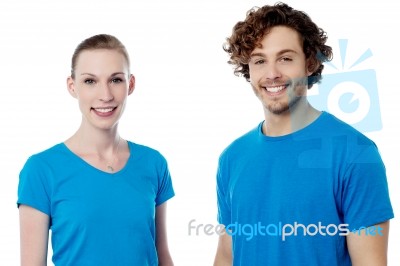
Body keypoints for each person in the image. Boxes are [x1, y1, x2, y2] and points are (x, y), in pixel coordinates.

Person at [213, 2, 393, 265]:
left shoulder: (355, 153)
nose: (272, 73)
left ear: (309, 64)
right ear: (248, 69)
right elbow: (227, 255)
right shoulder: (232, 158)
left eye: (285, 58)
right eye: (260, 60)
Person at [17, 34, 175, 265]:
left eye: (116, 80)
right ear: (73, 87)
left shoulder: (153, 163)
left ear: (130, 84)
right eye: (90, 81)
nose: (106, 95)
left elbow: (162, 255)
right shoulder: (41, 169)